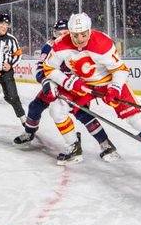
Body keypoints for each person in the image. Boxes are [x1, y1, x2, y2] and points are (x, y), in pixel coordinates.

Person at [42, 13, 141, 166]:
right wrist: (67, 82)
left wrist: (115, 87)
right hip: (82, 84)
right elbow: (49, 68)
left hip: (108, 82)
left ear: (89, 31)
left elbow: (120, 69)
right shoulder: (60, 45)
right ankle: (73, 147)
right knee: (57, 110)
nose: (79, 39)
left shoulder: (102, 43)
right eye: (75, 35)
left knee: (136, 120)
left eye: (83, 35)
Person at [13, 20, 118, 161]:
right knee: (35, 107)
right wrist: (46, 82)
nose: (62, 36)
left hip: (74, 87)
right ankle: (29, 132)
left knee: (83, 113)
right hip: (55, 84)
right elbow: (40, 69)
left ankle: (105, 144)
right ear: (54, 34)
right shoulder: (50, 47)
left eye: (65, 33)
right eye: (59, 33)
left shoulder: (80, 45)